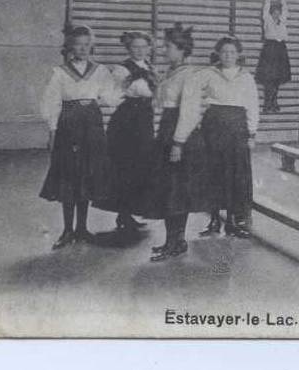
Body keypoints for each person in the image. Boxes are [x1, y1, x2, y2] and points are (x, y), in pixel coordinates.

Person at [39, 24, 118, 249]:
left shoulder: (101, 71)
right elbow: (51, 103)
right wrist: (52, 131)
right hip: (69, 125)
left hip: (92, 125)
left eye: (87, 45)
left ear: (91, 46)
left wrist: (126, 83)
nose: (82, 49)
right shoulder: (59, 72)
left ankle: (82, 228)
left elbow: (111, 98)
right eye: (78, 44)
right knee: (69, 177)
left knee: (87, 176)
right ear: (70, 47)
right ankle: (67, 230)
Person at [175, 36, 259, 239]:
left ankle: (232, 220)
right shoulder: (207, 74)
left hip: (237, 128)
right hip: (214, 126)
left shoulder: (247, 78)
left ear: (239, 55)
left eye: (232, 52)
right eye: (224, 52)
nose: (228, 56)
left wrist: (252, 132)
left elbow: (253, 106)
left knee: (235, 174)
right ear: (218, 54)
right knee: (213, 172)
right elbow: (191, 95)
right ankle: (214, 219)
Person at [144, 23, 210, 262]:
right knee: (167, 189)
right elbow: (160, 103)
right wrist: (155, 83)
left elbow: (190, 112)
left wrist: (178, 143)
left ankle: (176, 242)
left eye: (169, 47)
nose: (164, 50)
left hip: (180, 134)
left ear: (182, 50)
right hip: (166, 129)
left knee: (177, 190)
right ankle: (172, 241)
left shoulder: (190, 74)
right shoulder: (171, 72)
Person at [94, 31, 157, 234]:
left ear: (149, 49)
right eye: (135, 47)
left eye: (144, 47)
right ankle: (123, 214)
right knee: (125, 167)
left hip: (145, 120)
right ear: (129, 49)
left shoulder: (150, 68)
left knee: (141, 166)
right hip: (127, 121)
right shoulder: (121, 69)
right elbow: (116, 96)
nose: (140, 50)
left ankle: (130, 212)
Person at [255, 0, 291, 113]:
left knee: (277, 78)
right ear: (271, 13)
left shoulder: (283, 20)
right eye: (274, 12)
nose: (277, 14)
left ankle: (274, 101)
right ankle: (267, 103)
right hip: (270, 49)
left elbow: (285, 8)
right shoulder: (267, 20)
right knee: (268, 78)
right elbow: (265, 8)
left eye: (278, 12)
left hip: (280, 49)